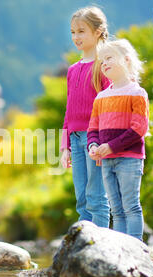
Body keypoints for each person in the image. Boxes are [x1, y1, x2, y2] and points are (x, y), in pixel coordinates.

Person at [87, 39, 149, 240]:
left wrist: (111, 146)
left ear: (127, 60)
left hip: (129, 159)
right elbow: (93, 128)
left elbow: (139, 128)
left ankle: (136, 248)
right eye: (101, 60)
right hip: (106, 160)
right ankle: (120, 251)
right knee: (116, 210)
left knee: (131, 206)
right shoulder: (101, 97)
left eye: (109, 58)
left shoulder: (137, 93)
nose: (103, 63)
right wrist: (94, 145)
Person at [59, 6, 110, 227]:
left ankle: (100, 245)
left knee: (97, 197)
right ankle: (85, 244)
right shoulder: (72, 70)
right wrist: (65, 147)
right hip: (75, 139)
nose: (76, 37)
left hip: (96, 139)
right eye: (73, 32)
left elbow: (110, 107)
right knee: (81, 198)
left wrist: (105, 141)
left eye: (81, 31)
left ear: (98, 31)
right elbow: (68, 111)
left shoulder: (104, 66)